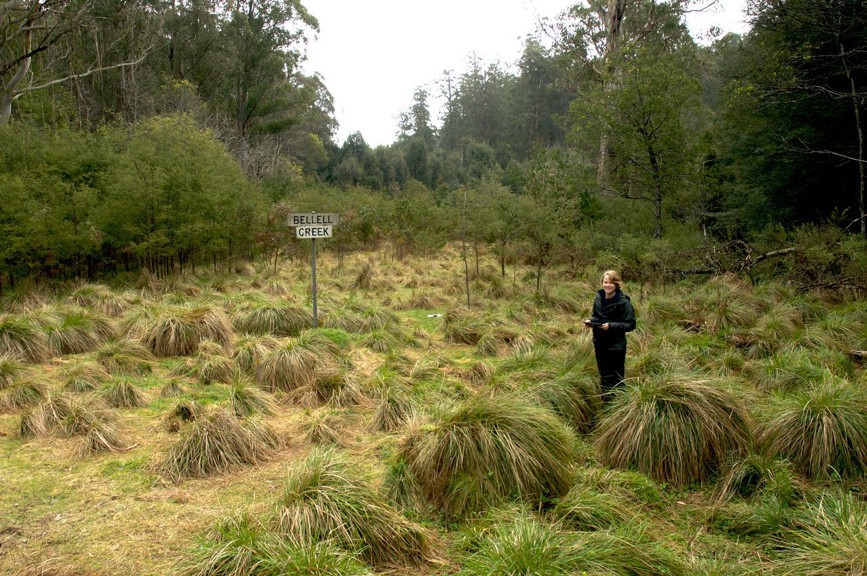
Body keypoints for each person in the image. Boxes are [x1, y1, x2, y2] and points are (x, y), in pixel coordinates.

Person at [584, 270, 636, 401]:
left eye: (611, 283)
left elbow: (631, 324)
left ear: (617, 284)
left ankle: (622, 403)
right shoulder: (598, 298)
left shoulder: (624, 302)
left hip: (616, 345)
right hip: (600, 342)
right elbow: (596, 316)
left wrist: (611, 326)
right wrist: (592, 322)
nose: (607, 285)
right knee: (604, 376)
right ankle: (606, 404)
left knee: (616, 378)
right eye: (605, 282)